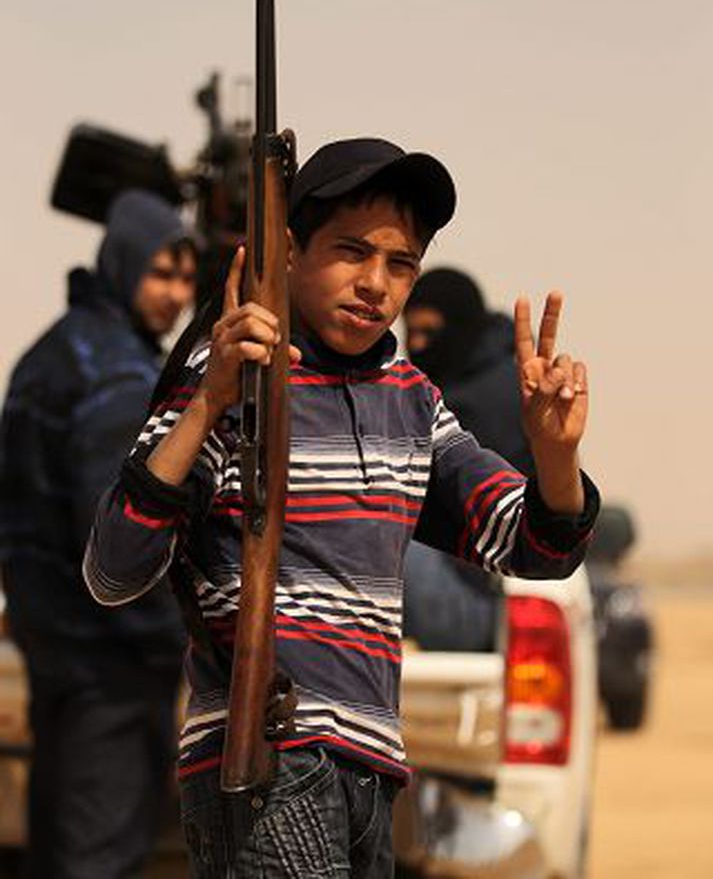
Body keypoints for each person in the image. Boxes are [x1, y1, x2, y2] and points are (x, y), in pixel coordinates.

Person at [84, 139, 599, 878]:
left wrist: (553, 456)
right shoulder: (235, 377)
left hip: (371, 769)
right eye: (351, 252)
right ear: (289, 251)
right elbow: (112, 569)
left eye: (400, 264)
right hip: (267, 763)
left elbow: (536, 548)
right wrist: (211, 402)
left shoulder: (412, 400)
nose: (375, 284)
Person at [0, 189, 197, 879]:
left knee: (62, 853)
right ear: (121, 265)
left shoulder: (54, 351)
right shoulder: (116, 372)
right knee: (99, 858)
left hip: (58, 653)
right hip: (110, 667)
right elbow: (117, 536)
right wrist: (180, 637)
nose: (175, 295)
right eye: (159, 273)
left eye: (184, 278)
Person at [401, 268, 534, 652]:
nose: (419, 344)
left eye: (431, 332)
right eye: (413, 333)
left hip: (484, 600)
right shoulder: (500, 382)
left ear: (458, 328)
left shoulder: (476, 401)